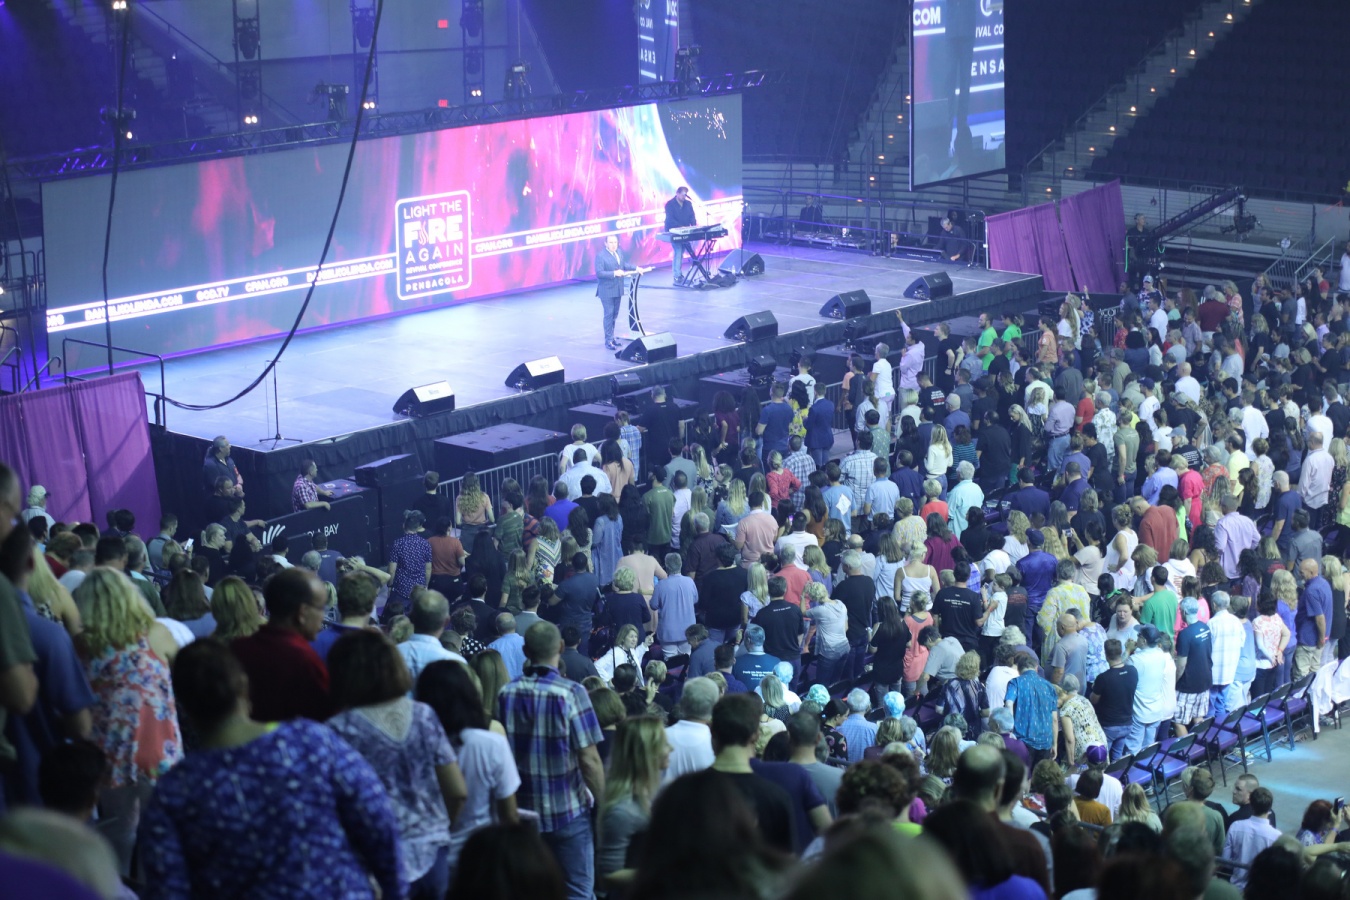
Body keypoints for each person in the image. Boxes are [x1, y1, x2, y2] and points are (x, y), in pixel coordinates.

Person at [139, 640, 402, 898]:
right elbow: (377, 820)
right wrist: (395, 891)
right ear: (243, 686)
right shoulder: (312, 742)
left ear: (184, 704)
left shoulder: (175, 791)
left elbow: (167, 886)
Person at [326, 630, 467, 898]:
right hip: (432, 858)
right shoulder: (424, 715)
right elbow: (457, 791)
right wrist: (438, 830)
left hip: (372, 862)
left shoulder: (340, 729)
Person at [497, 622, 605, 900]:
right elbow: (590, 760)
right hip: (568, 810)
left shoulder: (506, 693)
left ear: (526, 651)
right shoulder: (572, 693)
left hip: (522, 812)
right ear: (560, 647)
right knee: (578, 891)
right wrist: (603, 805)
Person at [414, 660, 521, 884]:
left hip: (427, 862)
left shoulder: (415, 746)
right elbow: (509, 815)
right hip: (481, 861)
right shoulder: (491, 744)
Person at [230, 567, 336, 723]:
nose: (323, 616)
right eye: (321, 608)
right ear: (303, 612)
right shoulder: (306, 663)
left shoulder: (235, 651)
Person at [707, 692, 797, 854]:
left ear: (712, 731)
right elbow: (786, 860)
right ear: (756, 735)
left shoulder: (680, 791)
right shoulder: (777, 797)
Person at [598, 716, 669, 888]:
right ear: (647, 752)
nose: (671, 748)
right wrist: (669, 872)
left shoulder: (652, 793)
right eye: (664, 744)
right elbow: (609, 875)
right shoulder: (622, 811)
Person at [1005, 652, 1059, 766]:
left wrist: (1009, 730)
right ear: (1036, 668)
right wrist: (1054, 744)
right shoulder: (1049, 686)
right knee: (1040, 774)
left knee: (1023, 774)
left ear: (1019, 669)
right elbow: (1054, 719)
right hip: (1045, 741)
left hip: (1022, 740)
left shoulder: (1016, 682)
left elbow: (1009, 703)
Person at [1223, 786, 1280, 890]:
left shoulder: (1236, 826)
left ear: (1251, 805)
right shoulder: (1276, 836)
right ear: (1269, 808)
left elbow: (1226, 862)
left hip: (1236, 888)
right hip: (1260, 891)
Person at [595, 234, 634, 350]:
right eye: (611, 242)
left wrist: (636, 268)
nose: (613, 245)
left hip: (617, 289)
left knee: (614, 315)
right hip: (606, 290)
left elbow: (624, 265)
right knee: (609, 314)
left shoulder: (619, 252)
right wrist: (614, 273)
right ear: (605, 244)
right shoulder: (601, 256)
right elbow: (599, 273)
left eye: (615, 242)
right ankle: (608, 341)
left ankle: (611, 338)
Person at [664, 186, 697, 283]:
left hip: (685, 231)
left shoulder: (688, 204)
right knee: (678, 251)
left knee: (681, 251)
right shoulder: (670, 204)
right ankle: (677, 275)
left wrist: (693, 225)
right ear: (677, 194)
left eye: (685, 195)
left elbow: (692, 216)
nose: (684, 197)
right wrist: (681, 227)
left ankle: (678, 273)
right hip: (674, 231)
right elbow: (670, 219)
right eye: (683, 195)